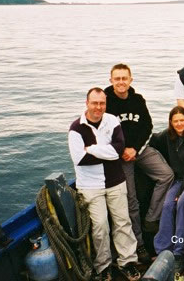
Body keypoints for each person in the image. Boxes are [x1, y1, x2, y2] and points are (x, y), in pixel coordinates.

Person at [67, 87, 141, 281]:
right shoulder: (76, 129)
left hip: (115, 181)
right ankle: (104, 265)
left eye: (102, 103)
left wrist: (91, 149)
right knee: (100, 227)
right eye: (94, 103)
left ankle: (128, 262)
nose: (98, 107)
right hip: (90, 186)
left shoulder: (112, 121)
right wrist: (106, 152)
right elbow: (80, 159)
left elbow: (118, 150)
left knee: (123, 222)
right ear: (87, 103)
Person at [105, 63, 174, 264]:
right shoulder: (106, 102)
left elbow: (148, 126)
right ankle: (139, 243)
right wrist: (122, 151)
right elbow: (104, 133)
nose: (120, 82)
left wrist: (135, 148)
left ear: (130, 80)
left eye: (124, 78)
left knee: (167, 175)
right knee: (131, 201)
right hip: (120, 157)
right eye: (117, 78)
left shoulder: (137, 100)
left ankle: (151, 219)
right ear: (111, 81)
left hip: (139, 150)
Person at [149, 106, 184, 261]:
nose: (179, 124)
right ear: (171, 123)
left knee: (181, 204)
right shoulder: (168, 135)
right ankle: (163, 249)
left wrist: (180, 194)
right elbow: (152, 140)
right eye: (175, 121)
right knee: (167, 205)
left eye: (182, 120)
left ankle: (180, 250)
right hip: (178, 179)